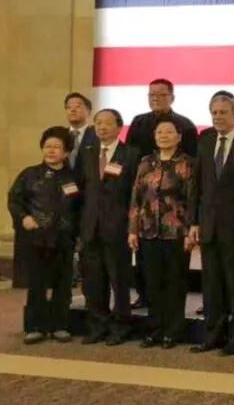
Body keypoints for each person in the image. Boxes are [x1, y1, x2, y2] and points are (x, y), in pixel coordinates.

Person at [189, 93, 234, 356]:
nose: (218, 117)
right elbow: (197, 185)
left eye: (223, 112)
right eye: (214, 112)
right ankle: (212, 336)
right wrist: (194, 221)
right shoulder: (205, 140)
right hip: (209, 226)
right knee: (211, 286)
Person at [126, 78, 198, 308]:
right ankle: (146, 300)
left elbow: (192, 184)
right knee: (148, 268)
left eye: (161, 94)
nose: (155, 98)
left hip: (175, 218)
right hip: (147, 211)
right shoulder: (139, 123)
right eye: (151, 95)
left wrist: (191, 225)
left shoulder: (185, 125)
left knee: (174, 275)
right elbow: (131, 160)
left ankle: (172, 318)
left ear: (172, 97)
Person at [128, 117, 196, 348]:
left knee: (175, 283)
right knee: (152, 283)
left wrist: (190, 229)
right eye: (159, 132)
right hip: (148, 231)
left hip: (176, 232)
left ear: (179, 136)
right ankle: (154, 330)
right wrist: (133, 230)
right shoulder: (146, 162)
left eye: (169, 132)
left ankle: (173, 331)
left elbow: (192, 199)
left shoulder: (187, 164)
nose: (163, 136)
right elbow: (136, 197)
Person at [8, 127, 81, 344]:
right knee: (37, 284)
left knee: (63, 283)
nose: (51, 150)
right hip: (36, 238)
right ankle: (35, 327)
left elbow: (80, 207)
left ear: (66, 152)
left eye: (57, 147)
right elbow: (14, 200)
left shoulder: (74, 177)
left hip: (64, 238)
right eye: (48, 146)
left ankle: (60, 325)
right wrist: (23, 217)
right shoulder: (29, 174)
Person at [79, 109, 139, 345]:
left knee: (119, 281)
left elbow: (135, 194)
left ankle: (121, 326)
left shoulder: (131, 154)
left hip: (118, 227)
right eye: (98, 123)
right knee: (93, 281)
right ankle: (98, 325)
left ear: (119, 127)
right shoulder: (87, 153)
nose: (102, 127)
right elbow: (82, 190)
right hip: (90, 227)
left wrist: (132, 226)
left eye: (107, 123)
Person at [63, 92, 99, 182]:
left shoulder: (98, 135)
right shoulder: (59, 135)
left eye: (77, 107)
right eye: (69, 107)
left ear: (89, 111)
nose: (72, 110)